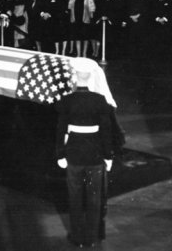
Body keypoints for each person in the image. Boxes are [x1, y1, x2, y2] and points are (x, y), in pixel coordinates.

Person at [56, 58, 114, 248]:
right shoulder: (99, 100)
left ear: (74, 76)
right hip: (95, 154)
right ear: (90, 76)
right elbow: (106, 131)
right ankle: (91, 237)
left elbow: (61, 130)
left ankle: (78, 237)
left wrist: (60, 155)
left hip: (73, 153)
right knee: (94, 197)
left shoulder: (67, 100)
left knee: (75, 196)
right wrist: (108, 155)